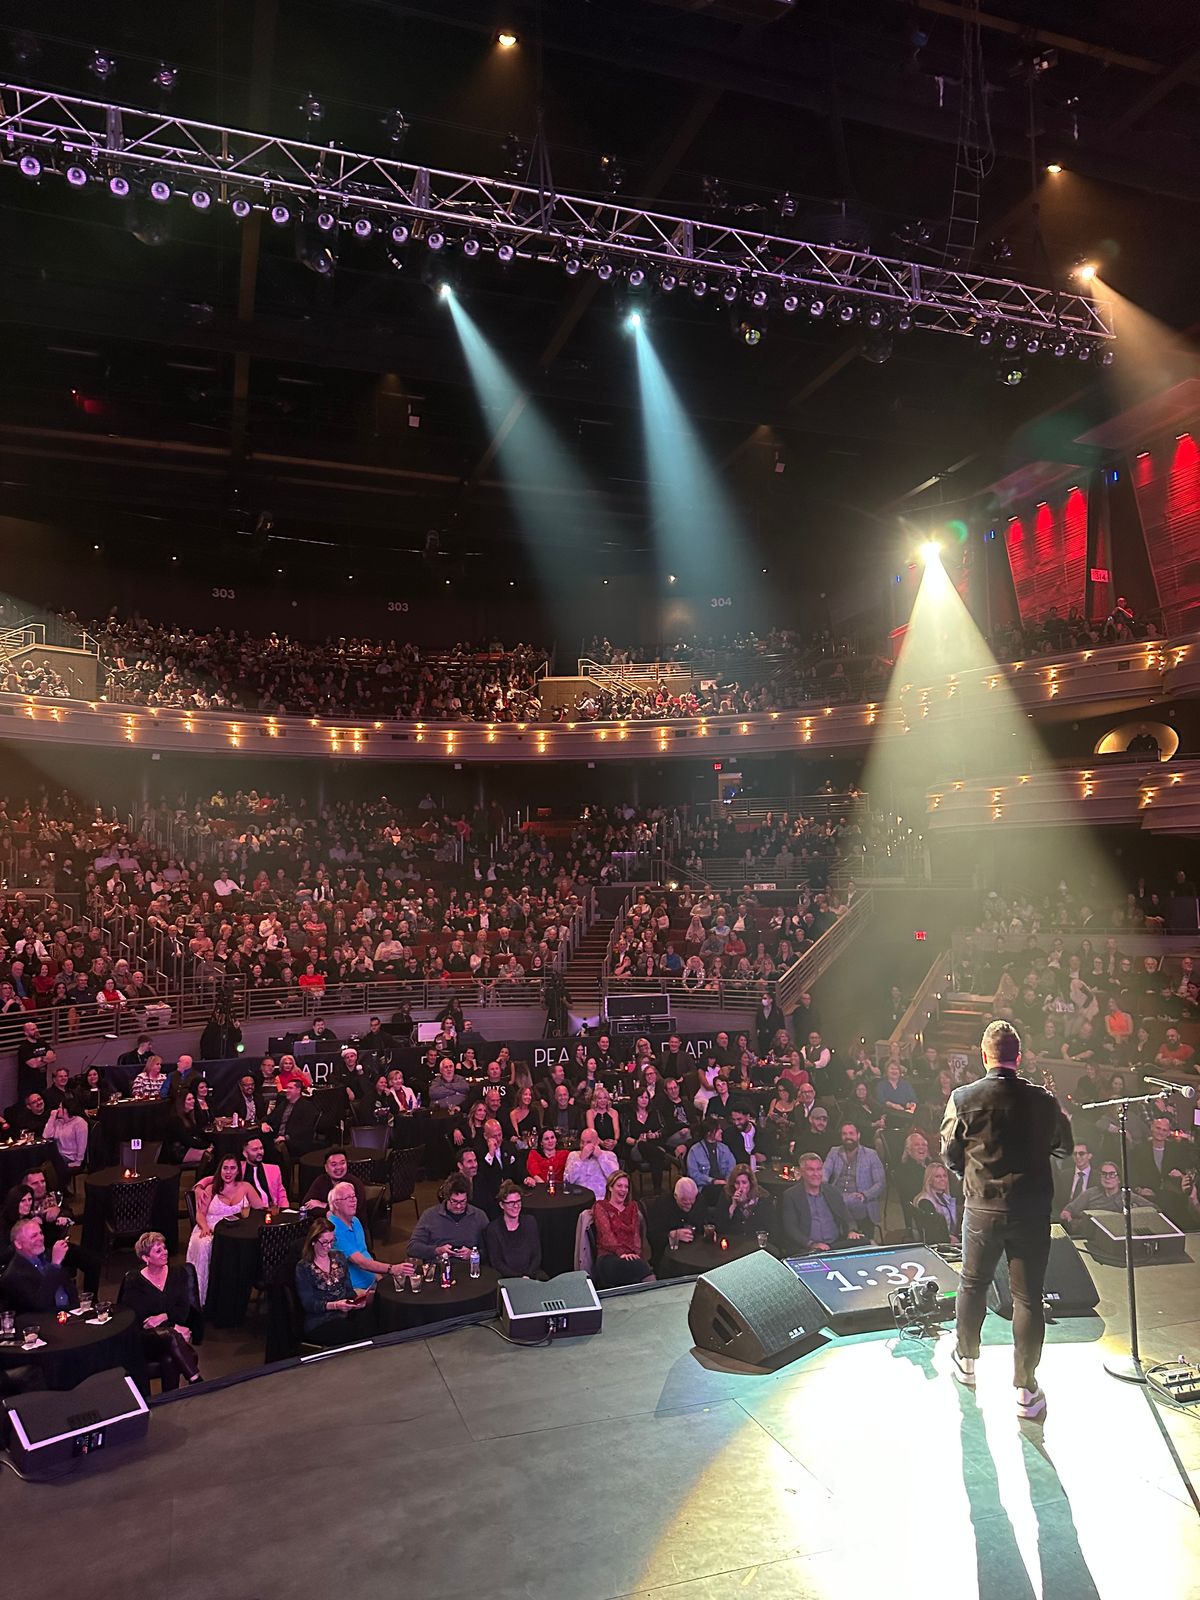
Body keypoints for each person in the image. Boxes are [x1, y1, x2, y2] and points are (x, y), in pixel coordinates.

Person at [940, 1019, 1072, 1419]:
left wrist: (973, 1178)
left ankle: (966, 1363)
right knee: (1028, 1298)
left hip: (982, 1209)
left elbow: (949, 1154)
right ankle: (1026, 1391)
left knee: (972, 1284)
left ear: (984, 1056)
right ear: (1020, 1057)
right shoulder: (1043, 1100)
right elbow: (1064, 1148)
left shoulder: (963, 1098)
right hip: (1031, 1210)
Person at [120, 1232, 202, 1388]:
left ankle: (172, 1398)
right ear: (146, 1258)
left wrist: (164, 1316)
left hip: (168, 1335)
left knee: (169, 1358)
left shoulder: (178, 1274)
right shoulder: (134, 1281)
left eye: (164, 1248)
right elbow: (141, 1320)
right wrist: (174, 1328)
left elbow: (183, 1309)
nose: (165, 1252)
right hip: (144, 1338)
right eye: (158, 1251)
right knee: (171, 1336)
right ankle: (197, 1381)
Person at [187, 1155, 265, 1304]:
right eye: (225, 1168)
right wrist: (204, 1227)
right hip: (210, 1226)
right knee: (204, 1244)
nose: (228, 1172)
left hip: (236, 1231)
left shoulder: (246, 1187)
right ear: (220, 1170)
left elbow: (260, 1209)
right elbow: (200, 1214)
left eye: (232, 1168)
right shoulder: (211, 1188)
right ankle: (202, 1298)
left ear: (238, 1171)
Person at [294, 1214, 376, 1344]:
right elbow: (309, 1304)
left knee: (372, 1320)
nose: (329, 1246)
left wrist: (357, 1301)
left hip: (344, 1313)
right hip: (321, 1320)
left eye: (332, 1241)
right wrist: (335, 1305)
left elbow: (348, 1290)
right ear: (313, 1241)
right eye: (325, 1242)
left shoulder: (339, 1257)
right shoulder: (303, 1267)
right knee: (350, 1332)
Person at [327, 1181, 406, 1291]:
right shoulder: (332, 1230)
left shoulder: (355, 1221)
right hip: (355, 1290)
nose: (353, 1201)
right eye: (347, 1198)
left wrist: (380, 1280)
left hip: (372, 1283)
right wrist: (391, 1268)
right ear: (336, 1204)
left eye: (354, 1196)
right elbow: (361, 1262)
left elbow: (365, 1254)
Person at [779, 1153, 865, 1254]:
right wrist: (812, 1244)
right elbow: (791, 1228)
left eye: (819, 1169)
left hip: (835, 1245)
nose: (816, 1174)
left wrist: (852, 1231)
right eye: (811, 1170)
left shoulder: (832, 1191)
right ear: (802, 1172)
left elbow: (847, 1217)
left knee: (865, 1243)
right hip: (808, 1249)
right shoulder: (791, 1195)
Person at [822, 1121, 886, 1237]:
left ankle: (851, 1233)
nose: (848, 1137)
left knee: (849, 1204)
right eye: (844, 1134)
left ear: (858, 1135)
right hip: (837, 1196)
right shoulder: (834, 1152)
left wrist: (864, 1195)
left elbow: (880, 1183)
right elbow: (825, 1171)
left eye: (851, 1133)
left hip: (860, 1199)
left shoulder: (871, 1155)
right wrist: (823, 1186)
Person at [0, 1217, 78, 1311]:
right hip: (47, 1318)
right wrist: (55, 1264)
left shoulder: (48, 1257)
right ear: (18, 1244)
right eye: (34, 1236)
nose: (40, 1238)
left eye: (40, 1233)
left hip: (72, 1312)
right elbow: (40, 1306)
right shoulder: (14, 1274)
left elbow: (71, 1290)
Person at [592, 1170, 653, 1287]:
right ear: (610, 1188)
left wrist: (636, 1254)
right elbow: (607, 1236)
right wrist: (622, 1253)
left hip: (631, 1257)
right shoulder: (601, 1206)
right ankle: (656, 1293)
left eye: (626, 1187)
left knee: (638, 1266)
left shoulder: (632, 1207)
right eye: (619, 1186)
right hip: (608, 1256)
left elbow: (636, 1236)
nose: (623, 1190)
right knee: (639, 1268)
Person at [408, 1175, 489, 1262]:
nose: (458, 1206)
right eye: (454, 1201)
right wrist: (437, 1250)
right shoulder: (429, 1215)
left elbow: (491, 1249)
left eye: (463, 1201)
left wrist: (473, 1254)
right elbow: (412, 1248)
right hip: (439, 1265)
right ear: (447, 1197)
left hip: (470, 1265)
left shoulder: (479, 1216)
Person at [483, 1182, 544, 1278]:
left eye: (518, 1201)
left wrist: (527, 1275)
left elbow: (537, 1255)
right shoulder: (493, 1229)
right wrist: (519, 1278)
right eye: (511, 1203)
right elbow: (496, 1262)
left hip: (531, 1275)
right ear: (502, 1205)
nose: (516, 1206)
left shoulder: (530, 1222)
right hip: (507, 1278)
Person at [646, 1176, 702, 1267]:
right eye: (684, 1202)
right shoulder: (661, 1205)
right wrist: (671, 1235)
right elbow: (652, 1236)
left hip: (695, 1252)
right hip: (669, 1257)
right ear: (675, 1196)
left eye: (692, 1201)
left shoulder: (699, 1200)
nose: (689, 1206)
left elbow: (704, 1223)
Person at [712, 1164, 775, 1241]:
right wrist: (733, 1206)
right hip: (733, 1241)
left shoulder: (763, 1198)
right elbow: (719, 1227)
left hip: (754, 1241)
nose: (740, 1187)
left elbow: (770, 1228)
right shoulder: (726, 1195)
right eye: (737, 1183)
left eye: (744, 1182)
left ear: (751, 1183)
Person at [300, 1148, 369, 1216]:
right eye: (334, 1164)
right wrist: (329, 1212)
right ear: (326, 1167)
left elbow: (350, 1211)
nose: (338, 1167)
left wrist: (323, 1205)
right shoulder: (321, 1180)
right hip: (324, 1222)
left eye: (342, 1163)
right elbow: (306, 1205)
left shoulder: (354, 1183)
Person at [622, 1087, 666, 1193]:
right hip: (636, 1149)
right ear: (635, 1099)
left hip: (653, 1147)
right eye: (641, 1097)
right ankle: (663, 1155)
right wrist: (637, 1141)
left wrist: (655, 1135)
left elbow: (664, 1129)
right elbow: (625, 1137)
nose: (644, 1100)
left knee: (655, 1157)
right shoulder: (629, 1115)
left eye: (646, 1097)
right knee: (643, 1144)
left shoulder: (655, 1113)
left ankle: (657, 1189)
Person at [264, 1078, 321, 1159]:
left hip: (295, 1141)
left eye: (290, 1088)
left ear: (298, 1090)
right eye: (287, 1088)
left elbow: (305, 1129)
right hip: (277, 1137)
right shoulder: (284, 1104)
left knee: (277, 1149)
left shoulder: (307, 1107)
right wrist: (264, 1123)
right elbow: (271, 1117)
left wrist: (286, 1137)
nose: (287, 1090)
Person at [913, 1161, 961, 1246]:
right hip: (937, 1245)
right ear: (930, 1180)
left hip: (949, 1240)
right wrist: (949, 1239)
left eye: (944, 1176)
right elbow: (932, 1234)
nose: (942, 1179)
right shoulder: (925, 1201)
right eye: (938, 1176)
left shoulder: (945, 1197)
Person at [563, 1127, 618, 1201]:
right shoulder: (573, 1155)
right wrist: (581, 1159)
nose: (584, 1146)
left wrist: (600, 1157)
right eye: (582, 1142)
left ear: (597, 1142)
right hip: (578, 1199)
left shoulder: (609, 1156)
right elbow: (567, 1181)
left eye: (588, 1142)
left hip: (601, 1200)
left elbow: (615, 1179)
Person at [685, 1115, 736, 1195]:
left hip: (725, 1186)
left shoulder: (724, 1148)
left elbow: (732, 1167)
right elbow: (694, 1175)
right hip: (705, 1188)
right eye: (718, 1129)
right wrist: (713, 1181)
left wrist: (728, 1181)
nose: (721, 1131)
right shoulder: (694, 1151)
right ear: (709, 1133)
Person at [240, 1135, 289, 1208]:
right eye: (255, 1150)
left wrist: (284, 1210)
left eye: (261, 1148)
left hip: (270, 1209)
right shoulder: (238, 1169)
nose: (260, 1152)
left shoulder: (274, 1169)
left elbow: (281, 1194)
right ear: (245, 1153)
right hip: (249, 1211)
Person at [585, 1085, 621, 1152]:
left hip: (612, 1144)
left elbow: (616, 1130)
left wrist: (614, 1142)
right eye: (599, 1098)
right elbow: (592, 1133)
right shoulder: (590, 1113)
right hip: (597, 1145)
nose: (603, 1101)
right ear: (595, 1100)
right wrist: (602, 1143)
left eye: (605, 1098)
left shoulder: (614, 1112)